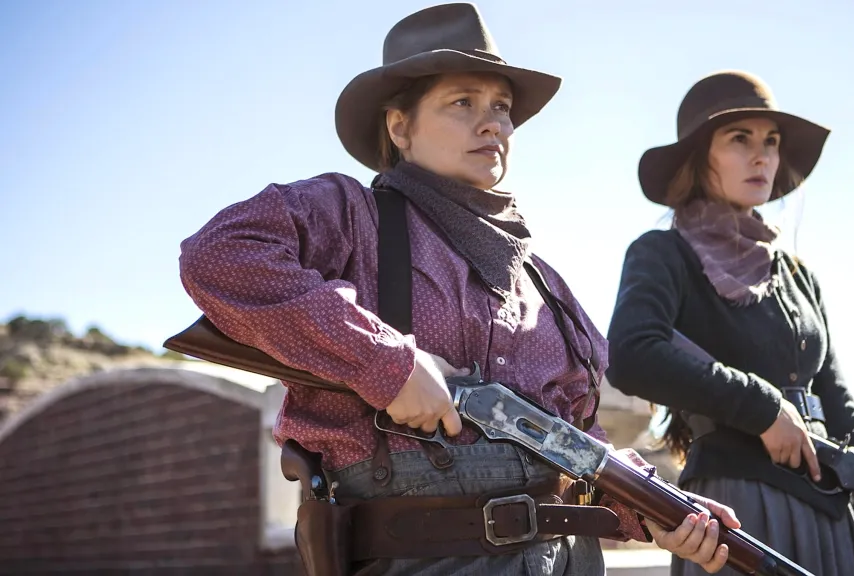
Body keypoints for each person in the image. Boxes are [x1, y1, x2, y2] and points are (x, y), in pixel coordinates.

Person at [177, 4, 739, 575]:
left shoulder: (545, 284)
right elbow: (218, 255)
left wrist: (660, 508)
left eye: (501, 107)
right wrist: (386, 363)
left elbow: (578, 442)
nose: (493, 123)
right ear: (400, 126)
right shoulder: (351, 216)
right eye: (462, 103)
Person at [605, 70, 854, 576]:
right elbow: (632, 353)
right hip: (742, 513)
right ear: (699, 157)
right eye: (740, 139)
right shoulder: (662, 253)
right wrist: (763, 408)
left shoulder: (799, 277)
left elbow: (845, 418)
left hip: (836, 512)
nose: (762, 156)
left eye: (771, 142)